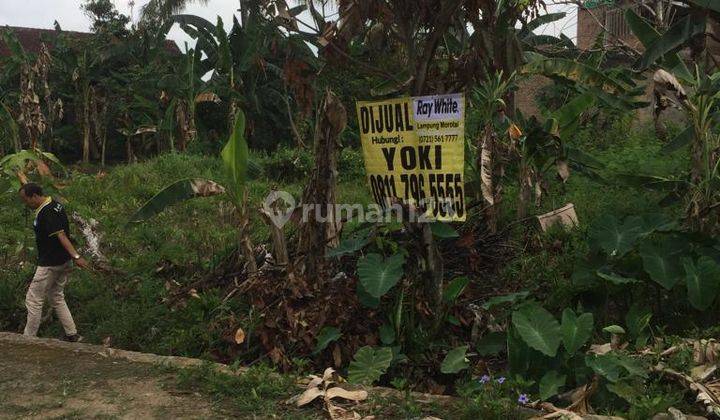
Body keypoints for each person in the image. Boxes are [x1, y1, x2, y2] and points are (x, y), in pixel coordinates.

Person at [18, 183, 89, 342]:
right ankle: (72, 334)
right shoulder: (54, 204)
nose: (25, 203)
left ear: (35, 196)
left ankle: (28, 340)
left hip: (50, 263)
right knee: (56, 296)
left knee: (33, 299)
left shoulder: (47, 212)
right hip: (63, 261)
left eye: (26, 200)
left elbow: (62, 236)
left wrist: (77, 257)